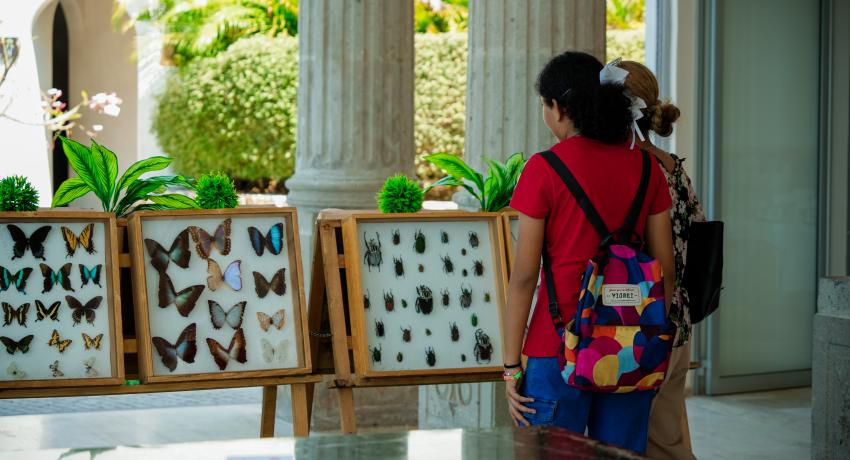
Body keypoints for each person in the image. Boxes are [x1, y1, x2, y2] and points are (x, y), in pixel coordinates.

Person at [502, 51, 675, 455]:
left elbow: (524, 276)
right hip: (630, 348)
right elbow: (664, 270)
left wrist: (511, 368)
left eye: (545, 106)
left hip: (554, 348)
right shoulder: (648, 169)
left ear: (558, 108)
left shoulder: (544, 169)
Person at [620, 60, 705, 460]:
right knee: (670, 440)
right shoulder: (674, 167)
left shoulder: (635, 168)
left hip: (644, 321)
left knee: (639, 440)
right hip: (680, 320)